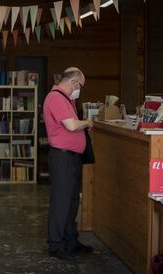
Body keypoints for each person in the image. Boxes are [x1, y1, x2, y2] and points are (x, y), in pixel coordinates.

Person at [43, 67, 94, 260]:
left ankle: (70, 241)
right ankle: (56, 246)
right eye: (80, 85)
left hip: (71, 157)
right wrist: (87, 122)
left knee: (72, 203)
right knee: (61, 203)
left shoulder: (67, 99)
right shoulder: (56, 97)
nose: (79, 89)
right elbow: (71, 125)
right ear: (73, 82)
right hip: (62, 158)